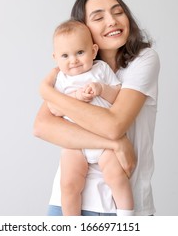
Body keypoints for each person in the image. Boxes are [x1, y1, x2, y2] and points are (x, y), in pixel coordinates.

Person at [34, 0, 160, 216]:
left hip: (121, 207)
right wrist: (115, 144)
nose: (111, 21)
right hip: (68, 203)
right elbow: (42, 126)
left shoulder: (143, 60)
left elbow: (114, 125)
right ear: (83, 28)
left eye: (118, 12)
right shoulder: (71, 71)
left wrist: (47, 91)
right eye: (99, 17)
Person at [51, 19, 134, 216]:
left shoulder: (101, 70)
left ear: (94, 51)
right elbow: (54, 108)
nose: (73, 60)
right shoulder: (61, 80)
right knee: (69, 185)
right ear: (55, 58)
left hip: (105, 141)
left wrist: (101, 89)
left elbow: (117, 96)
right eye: (65, 55)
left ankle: (127, 218)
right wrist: (75, 97)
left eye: (80, 52)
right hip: (75, 143)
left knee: (117, 177)